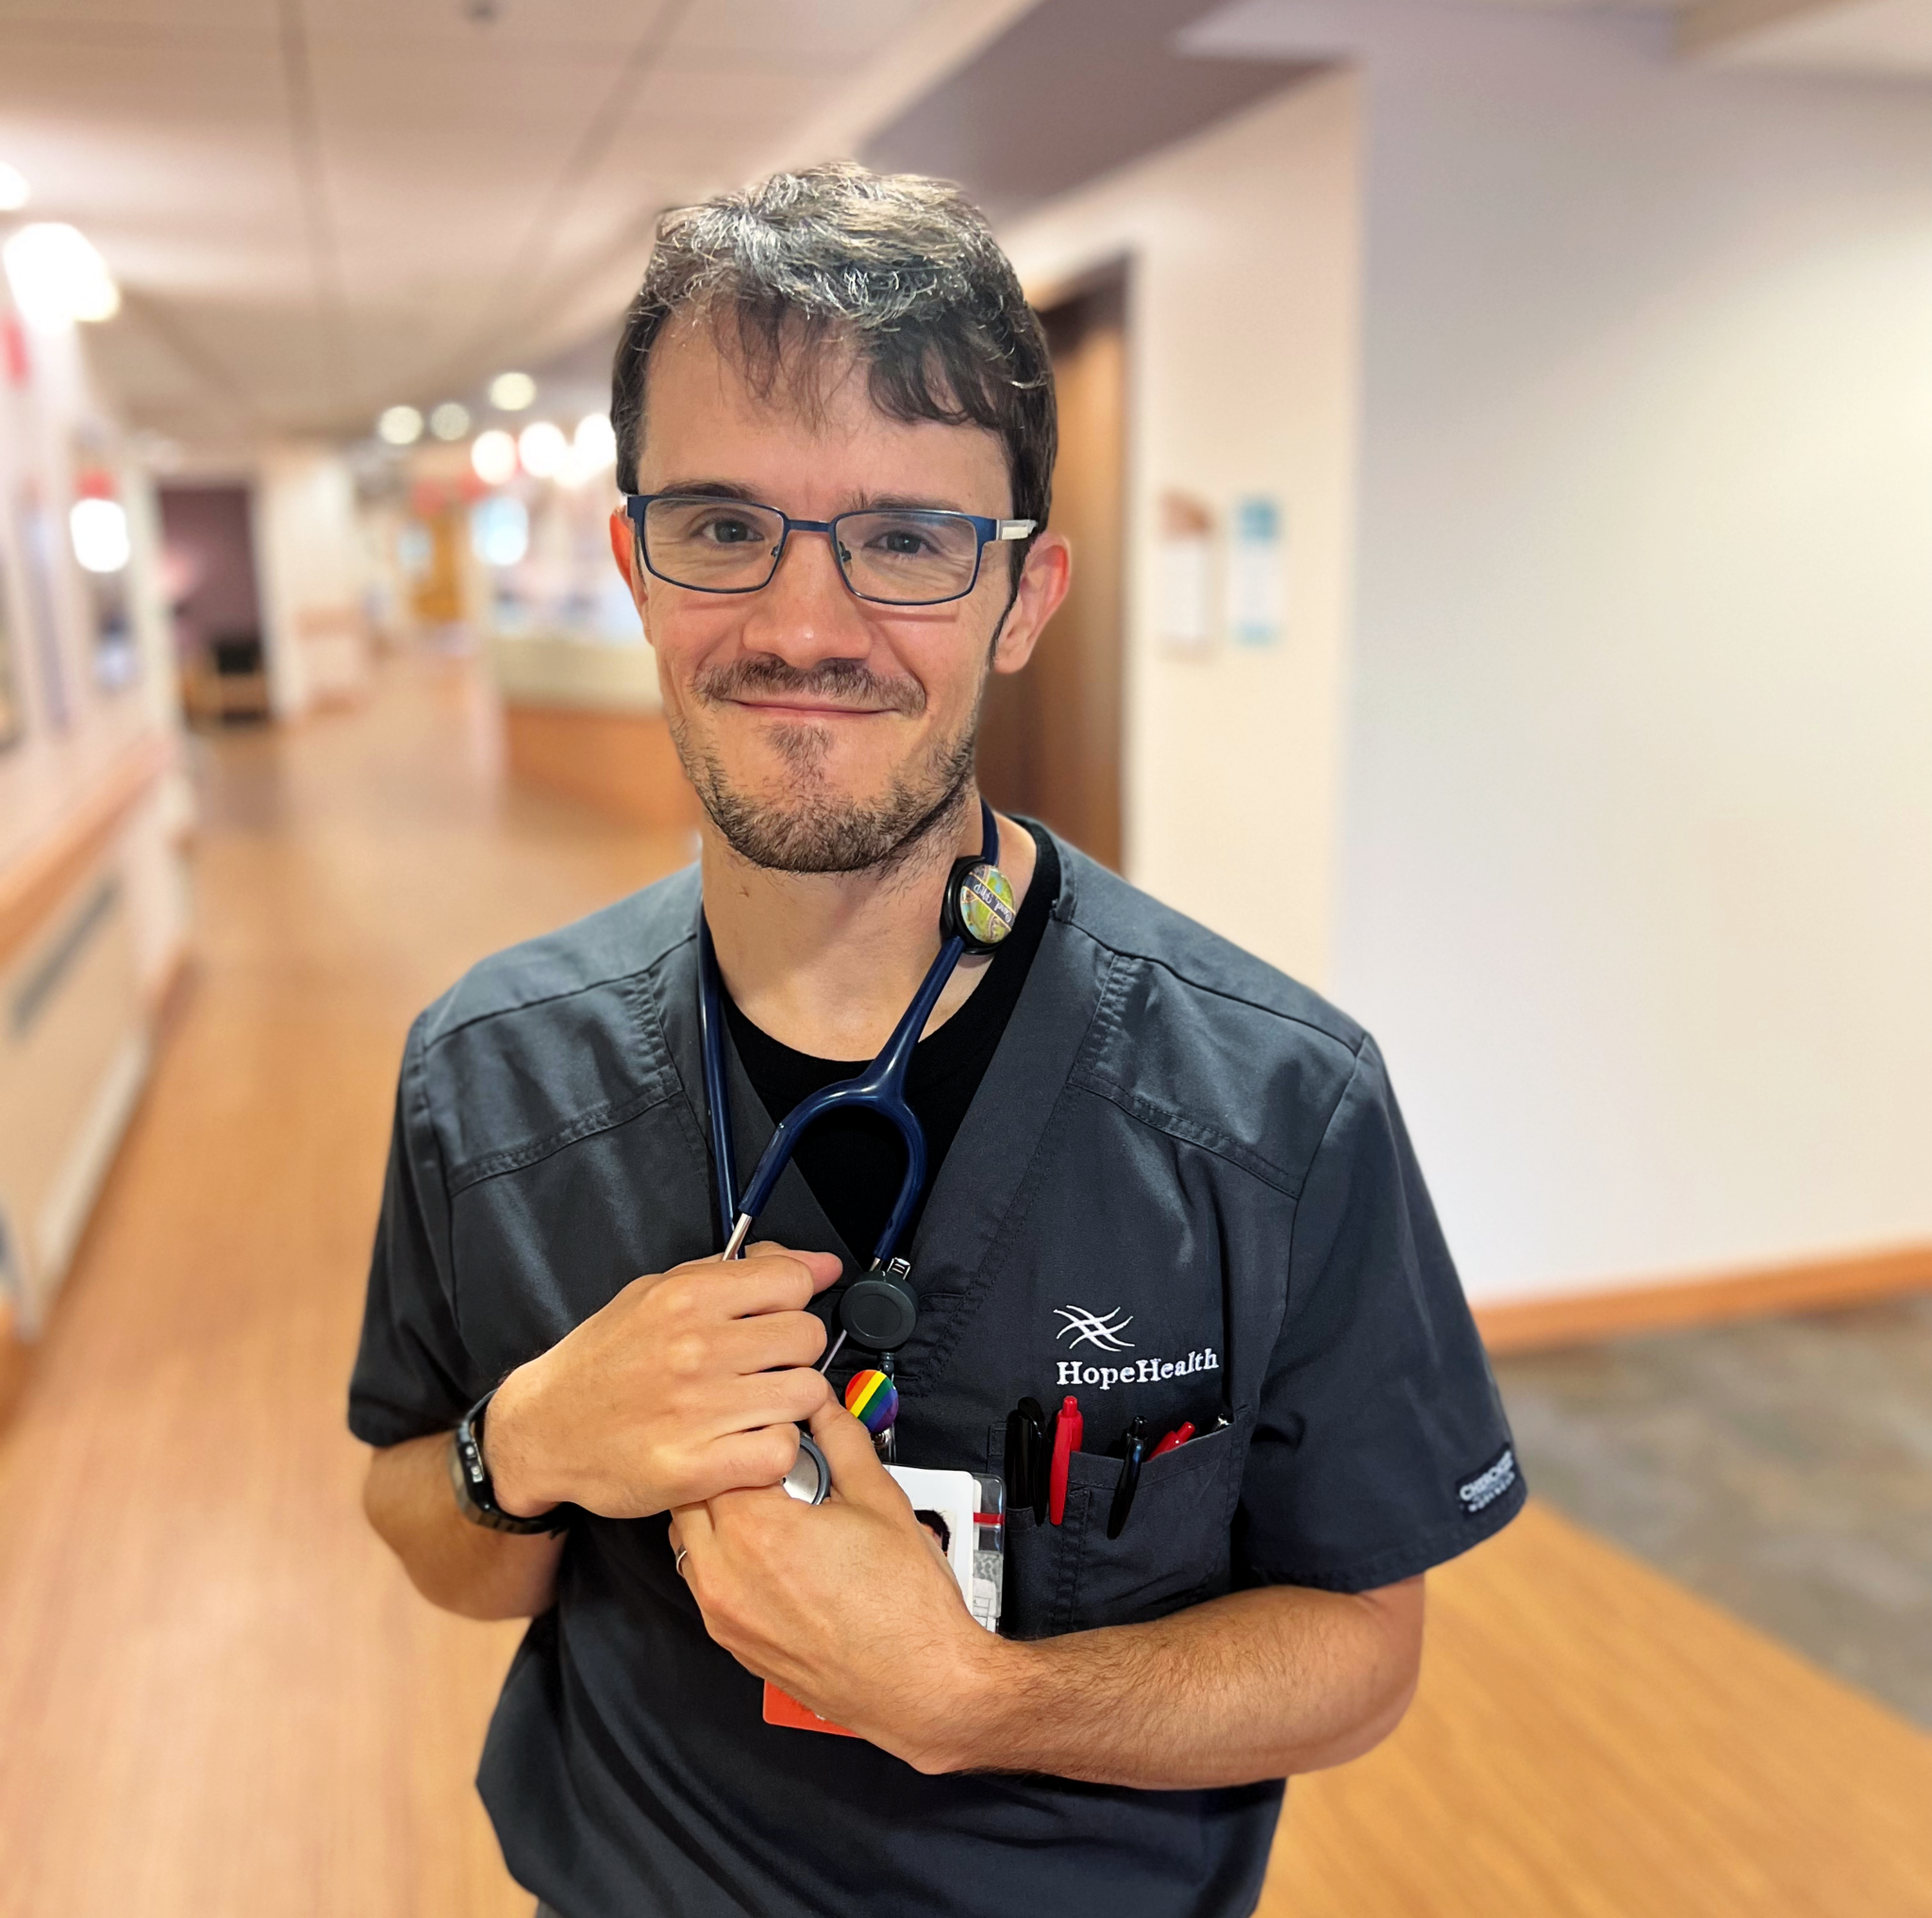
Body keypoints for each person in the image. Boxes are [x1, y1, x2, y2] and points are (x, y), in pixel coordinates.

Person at [351, 163, 1524, 1918]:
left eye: (904, 539)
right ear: (637, 569)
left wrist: (977, 1699)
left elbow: (1363, 1645)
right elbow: (452, 1556)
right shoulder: (494, 1078)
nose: (805, 627)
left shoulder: (1276, 1106)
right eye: (724, 525)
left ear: (1024, 596)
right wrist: (520, 1443)